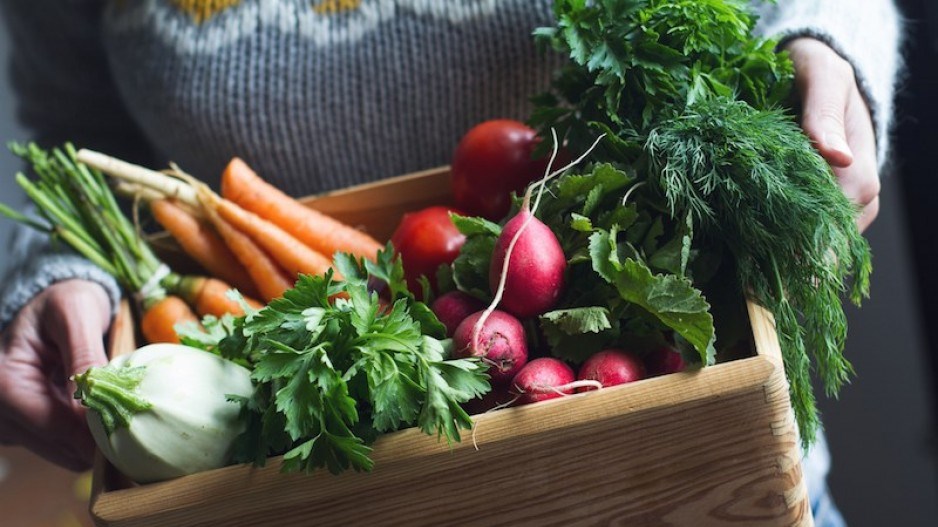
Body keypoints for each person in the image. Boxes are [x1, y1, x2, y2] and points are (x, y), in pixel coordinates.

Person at [0, 1, 901, 525]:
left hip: (696, 486)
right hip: (300, 497)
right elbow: (76, 126)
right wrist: (63, 270)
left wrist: (822, 49)